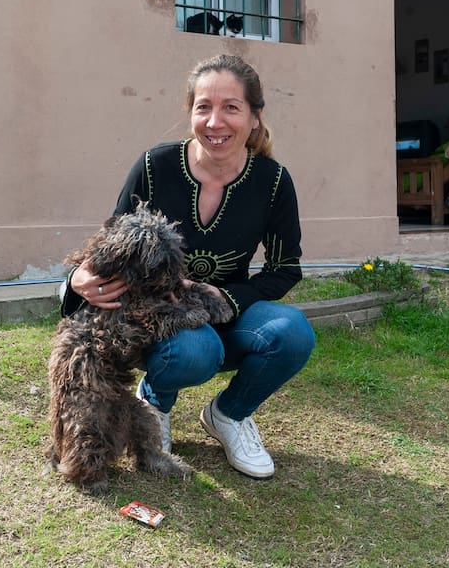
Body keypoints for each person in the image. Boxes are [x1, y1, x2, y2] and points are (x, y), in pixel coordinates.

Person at [59, 53, 315, 478]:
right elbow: (112, 243)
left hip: (227, 312)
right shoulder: (154, 166)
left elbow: (285, 267)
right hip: (158, 323)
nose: (215, 122)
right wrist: (77, 278)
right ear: (190, 112)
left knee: (293, 333)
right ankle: (155, 404)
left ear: (254, 117)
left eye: (231, 107)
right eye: (203, 107)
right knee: (196, 349)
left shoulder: (273, 181)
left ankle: (229, 415)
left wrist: (227, 296)